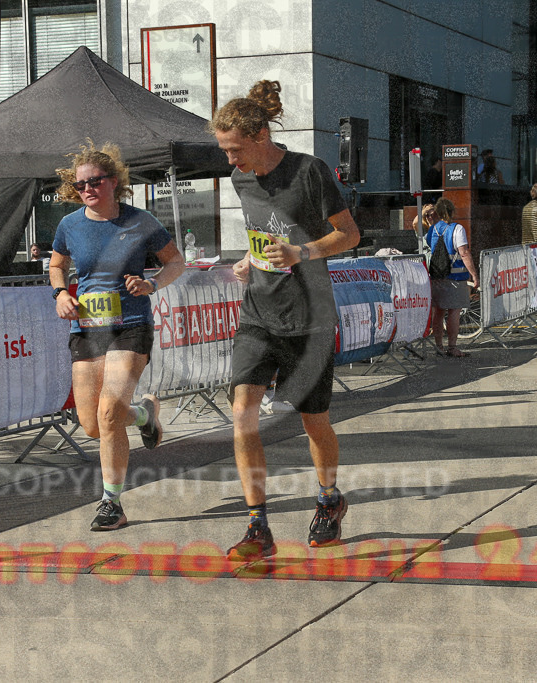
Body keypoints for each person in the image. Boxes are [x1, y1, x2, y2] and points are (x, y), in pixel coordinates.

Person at [211, 79, 360, 561]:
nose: (230, 160)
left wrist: (302, 252)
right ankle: (258, 525)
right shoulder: (240, 180)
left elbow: (349, 234)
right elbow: (262, 235)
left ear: (260, 135)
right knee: (243, 414)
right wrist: (248, 260)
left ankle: (329, 499)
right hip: (258, 313)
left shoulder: (309, 171)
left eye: (235, 149)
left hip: (309, 318)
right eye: (225, 151)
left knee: (314, 423)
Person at [49, 140, 186, 531]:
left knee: (109, 413)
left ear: (113, 181)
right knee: (92, 424)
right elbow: (57, 265)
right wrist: (60, 294)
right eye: (80, 185)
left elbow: (176, 262)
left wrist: (152, 284)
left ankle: (112, 503)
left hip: (130, 325)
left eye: (94, 181)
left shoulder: (140, 221)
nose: (87, 189)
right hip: (87, 329)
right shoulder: (69, 225)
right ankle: (144, 414)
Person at [426, 198, 480, 357]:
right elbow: (464, 253)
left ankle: (438, 346)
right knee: (454, 312)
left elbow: (430, 245)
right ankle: (452, 347)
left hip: (437, 276)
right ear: (452, 212)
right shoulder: (457, 229)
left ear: (437, 212)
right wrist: (474, 275)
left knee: (438, 312)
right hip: (456, 278)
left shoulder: (433, 230)